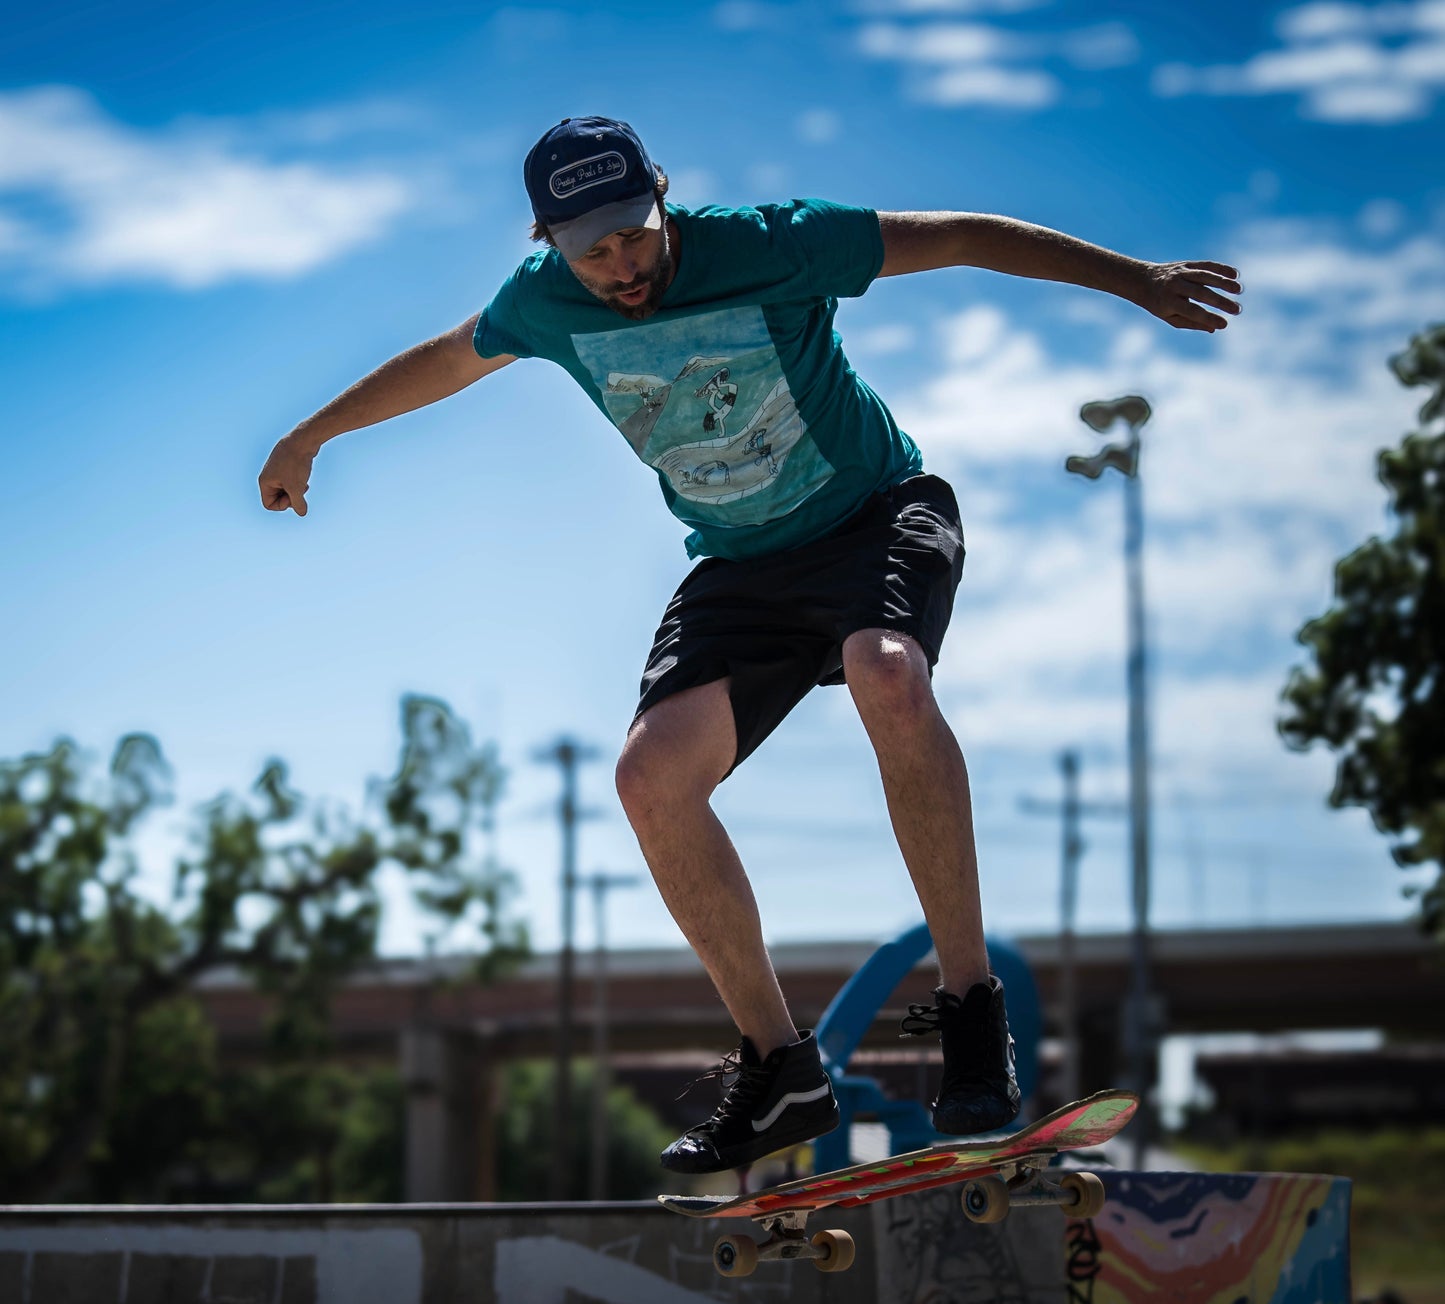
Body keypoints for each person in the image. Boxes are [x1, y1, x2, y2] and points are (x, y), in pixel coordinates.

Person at [259, 115, 1241, 1177]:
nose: (622, 266)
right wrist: (308, 434)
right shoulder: (538, 303)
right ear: (544, 239)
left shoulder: (775, 241)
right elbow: (449, 360)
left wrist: (1133, 278)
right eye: (591, 250)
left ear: (663, 198)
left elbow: (956, 235)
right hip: (741, 567)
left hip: (874, 513)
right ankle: (780, 1067)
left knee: (885, 673)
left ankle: (968, 1009)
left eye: (635, 235)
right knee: (648, 776)